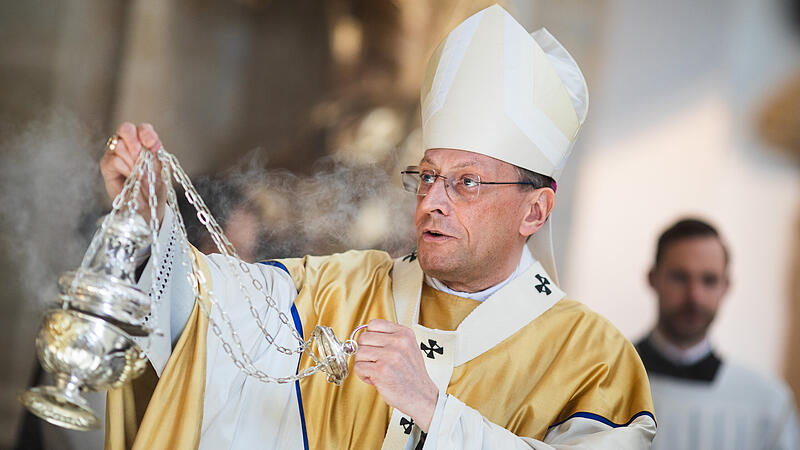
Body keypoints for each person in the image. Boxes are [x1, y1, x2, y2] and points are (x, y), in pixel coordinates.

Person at [99, 5, 655, 449]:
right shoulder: (336, 289)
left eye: (466, 183)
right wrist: (149, 226)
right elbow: (206, 320)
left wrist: (432, 409)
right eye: (428, 176)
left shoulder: (594, 360)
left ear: (534, 211)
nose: (433, 201)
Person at [636, 218, 800, 449]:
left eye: (709, 280)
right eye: (680, 277)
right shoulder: (604, 382)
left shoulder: (768, 403)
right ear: (653, 278)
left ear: (726, 286)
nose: (695, 296)